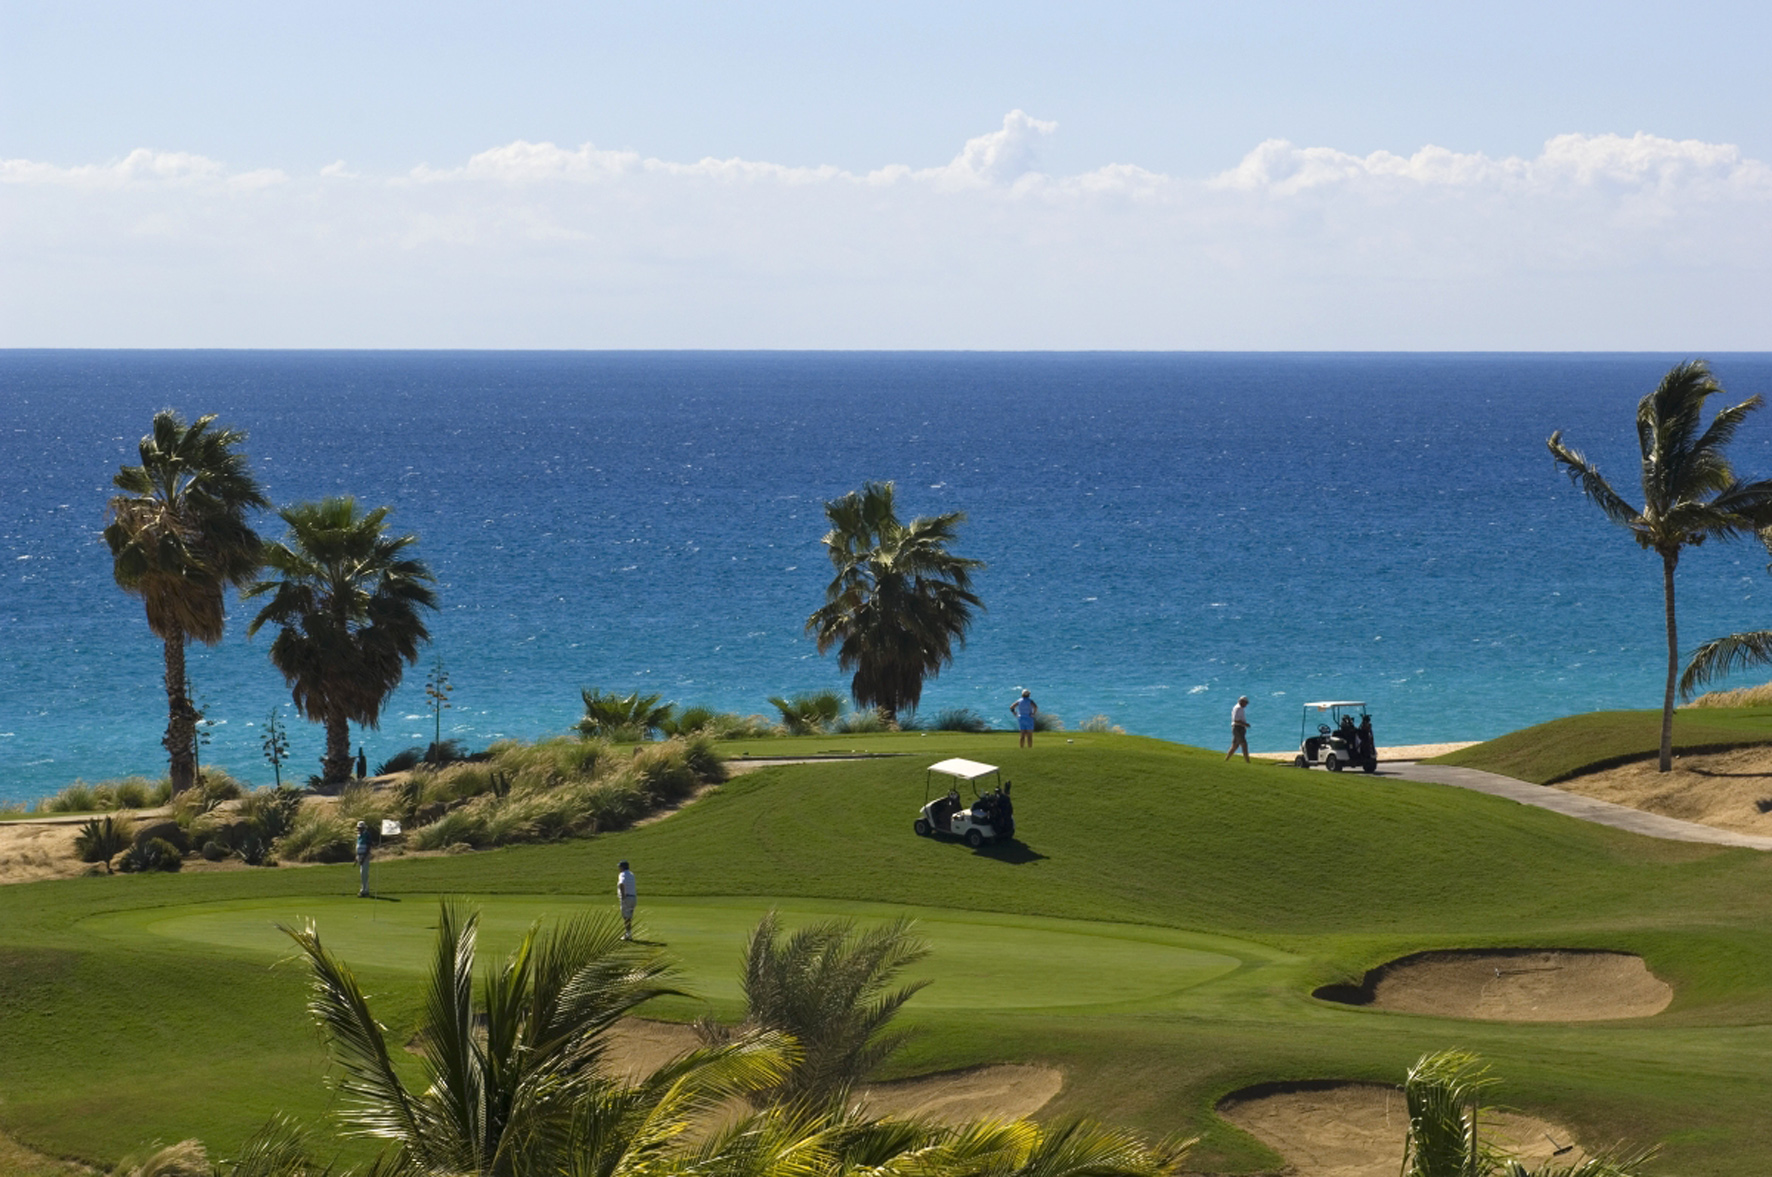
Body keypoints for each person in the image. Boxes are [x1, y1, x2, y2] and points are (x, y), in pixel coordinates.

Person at [1226, 696, 1251, 762]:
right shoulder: (1238, 708)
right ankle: (1247, 761)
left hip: (1239, 728)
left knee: (1235, 746)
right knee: (1244, 744)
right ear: (1242, 702)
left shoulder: (1240, 708)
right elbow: (1236, 720)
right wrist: (1245, 724)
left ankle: (1226, 759)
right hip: (1238, 728)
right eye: (1246, 703)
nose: (1246, 704)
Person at [616, 859, 637, 939]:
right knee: (629, 917)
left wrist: (623, 895)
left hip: (627, 898)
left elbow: (622, 883)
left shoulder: (622, 874)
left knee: (626, 917)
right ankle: (628, 934)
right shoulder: (631, 874)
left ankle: (628, 934)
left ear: (622, 867)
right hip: (633, 898)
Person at [355, 820, 372, 897]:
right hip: (360, 855)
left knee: (364, 873)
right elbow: (358, 846)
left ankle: (364, 890)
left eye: (361, 828)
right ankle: (364, 890)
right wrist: (357, 857)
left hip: (365, 856)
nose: (360, 829)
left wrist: (364, 857)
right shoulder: (358, 835)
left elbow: (368, 847)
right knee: (362, 874)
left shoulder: (366, 834)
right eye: (359, 828)